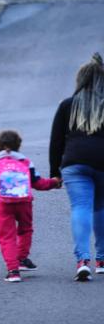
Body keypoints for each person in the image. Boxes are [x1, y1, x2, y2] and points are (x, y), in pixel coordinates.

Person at [49, 53, 104, 281]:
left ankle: (83, 260)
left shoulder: (68, 105)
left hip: (74, 162)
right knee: (101, 208)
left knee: (81, 207)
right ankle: (102, 259)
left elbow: (56, 141)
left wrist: (55, 173)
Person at [0, 130, 61, 282]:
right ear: (19, 145)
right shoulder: (26, 163)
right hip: (24, 203)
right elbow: (38, 183)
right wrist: (54, 182)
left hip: (4, 205)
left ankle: (13, 270)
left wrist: (0, 195)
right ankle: (22, 258)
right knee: (25, 230)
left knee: (7, 236)